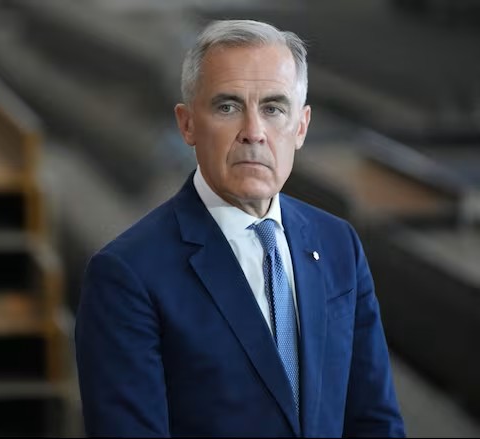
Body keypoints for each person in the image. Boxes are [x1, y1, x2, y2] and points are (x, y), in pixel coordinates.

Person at [75, 19, 405, 437]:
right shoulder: (128, 275)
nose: (253, 133)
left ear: (301, 126)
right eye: (228, 107)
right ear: (187, 124)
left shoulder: (338, 244)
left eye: (273, 108)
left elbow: (375, 420)